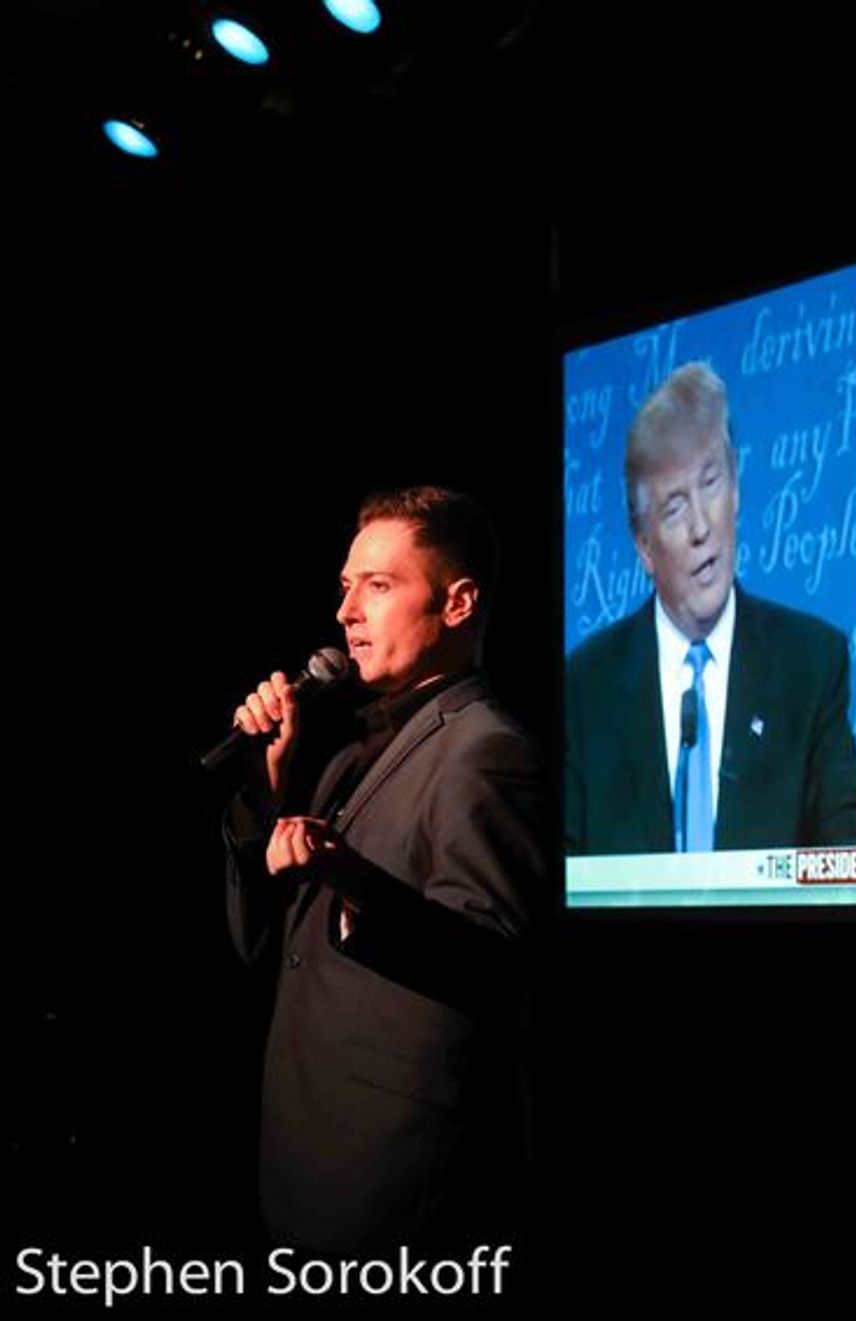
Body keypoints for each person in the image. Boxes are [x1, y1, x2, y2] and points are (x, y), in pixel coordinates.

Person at [222, 486, 548, 1253]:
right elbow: (259, 945)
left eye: (379, 584)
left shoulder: (487, 751)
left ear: (458, 601)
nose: (346, 613)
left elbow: (492, 961)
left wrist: (353, 880)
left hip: (395, 1203)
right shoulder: (342, 758)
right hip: (300, 1174)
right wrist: (264, 784)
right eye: (346, 586)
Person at [566, 362, 856, 855]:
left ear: (737, 489)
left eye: (711, 483)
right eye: (675, 507)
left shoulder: (811, 667)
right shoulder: (584, 689)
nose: (702, 527)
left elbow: (840, 862)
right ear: (643, 546)